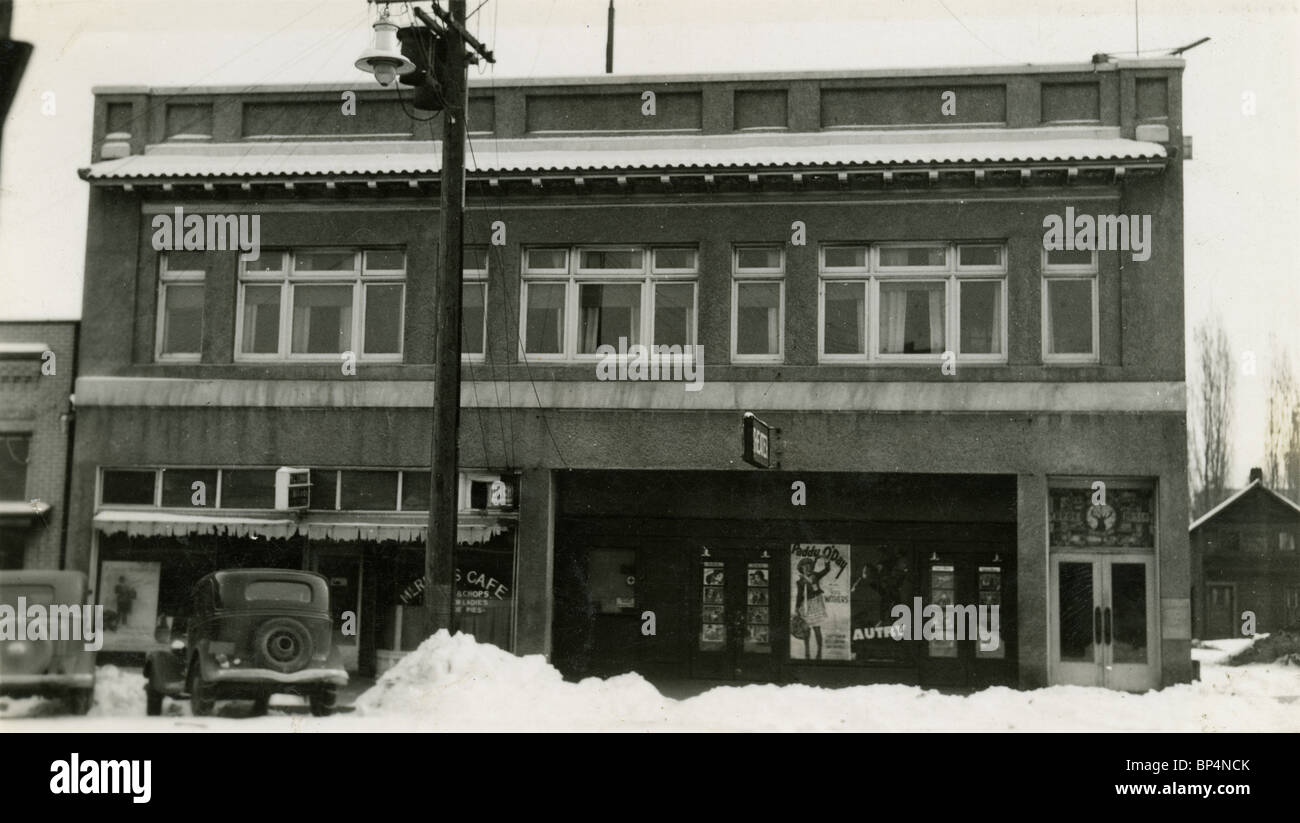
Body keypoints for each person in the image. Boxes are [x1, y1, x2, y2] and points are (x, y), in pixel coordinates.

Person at [794, 557, 831, 659]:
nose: (807, 568)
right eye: (805, 566)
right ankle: (807, 653)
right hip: (805, 605)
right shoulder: (800, 581)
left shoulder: (815, 575)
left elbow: (826, 570)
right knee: (806, 630)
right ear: (801, 568)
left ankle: (819, 653)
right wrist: (797, 608)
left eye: (809, 565)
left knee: (816, 628)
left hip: (816, 604)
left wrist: (826, 561)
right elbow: (799, 595)